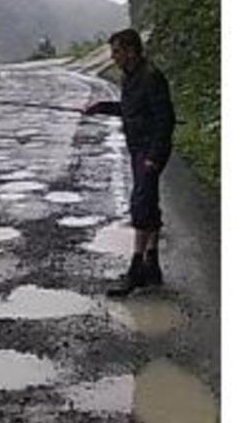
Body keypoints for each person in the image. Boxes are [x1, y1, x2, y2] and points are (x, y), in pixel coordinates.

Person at [84, 29, 176, 297]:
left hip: (149, 152)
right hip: (139, 150)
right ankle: (153, 265)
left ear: (131, 51)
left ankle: (137, 269)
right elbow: (128, 109)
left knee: (139, 205)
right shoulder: (131, 78)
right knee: (149, 204)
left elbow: (165, 120)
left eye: (117, 52)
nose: (113, 57)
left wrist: (153, 158)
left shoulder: (151, 77)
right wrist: (100, 107)